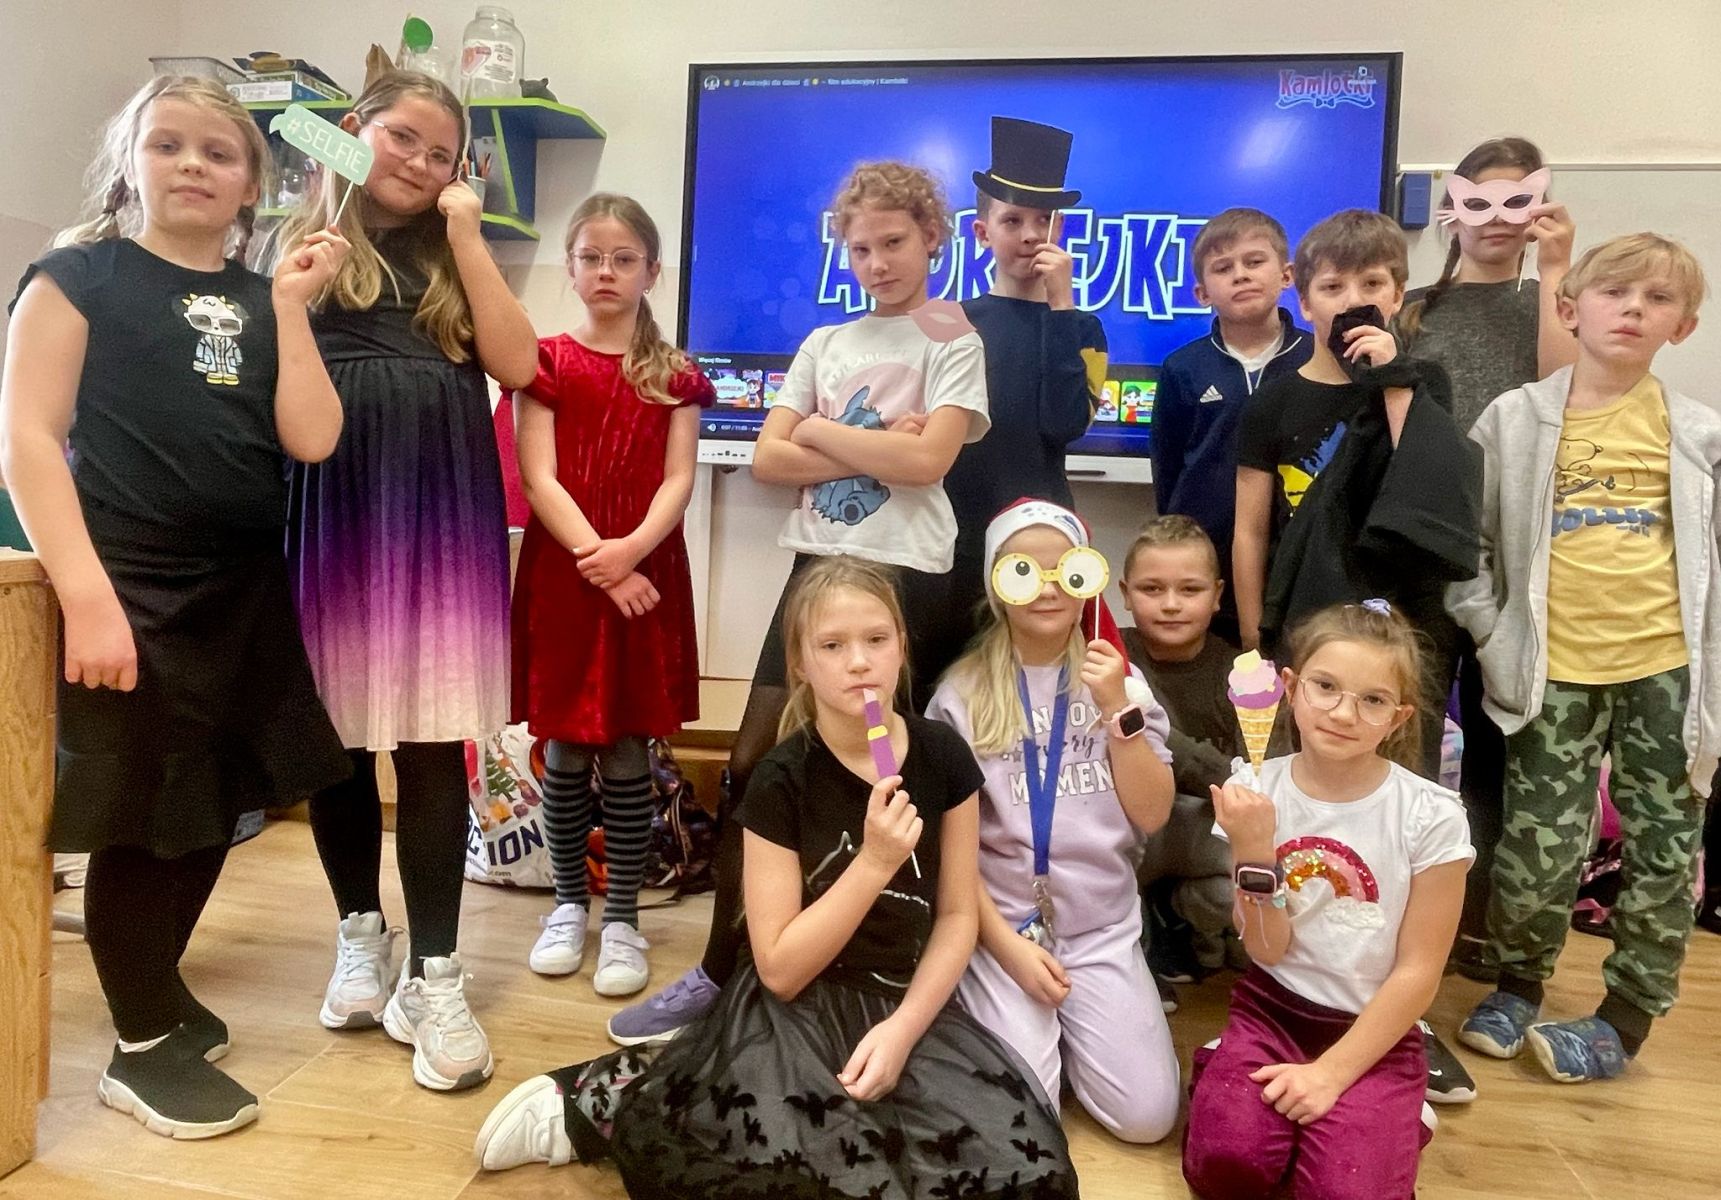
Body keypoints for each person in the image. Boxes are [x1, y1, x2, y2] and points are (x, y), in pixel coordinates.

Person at [472, 557, 1077, 1199]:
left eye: (876, 639)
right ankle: (603, 1095)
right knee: (802, 1178)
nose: (859, 662)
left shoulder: (944, 756)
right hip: (801, 1007)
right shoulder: (780, 780)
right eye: (832, 646)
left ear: (902, 645)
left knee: (1029, 1180)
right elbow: (782, 969)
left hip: (908, 1001)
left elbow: (956, 915)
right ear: (800, 664)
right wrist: (873, 863)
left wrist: (902, 1032)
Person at [0, 75, 351, 1136]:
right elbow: (28, 441)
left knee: (216, 804)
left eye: (218, 151)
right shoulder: (77, 279)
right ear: (130, 164)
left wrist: (288, 307)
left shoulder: (259, 296)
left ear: (251, 185)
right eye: (167, 145)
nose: (192, 164)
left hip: (243, 593)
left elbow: (313, 437)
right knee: (146, 817)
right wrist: (89, 600)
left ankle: (156, 988)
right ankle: (142, 1041)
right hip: (132, 594)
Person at [605, 160, 989, 1046]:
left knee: (890, 772)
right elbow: (769, 461)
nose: (877, 262)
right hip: (818, 564)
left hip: (908, 575)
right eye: (860, 248)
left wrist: (816, 429)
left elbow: (929, 461)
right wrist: (854, 438)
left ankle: (886, 973)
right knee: (751, 763)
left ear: (932, 239)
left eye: (894, 242)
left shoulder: (952, 339)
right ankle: (721, 968)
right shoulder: (826, 342)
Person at [275, 70, 538, 1092]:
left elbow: (517, 366)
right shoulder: (299, 245)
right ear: (353, 132)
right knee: (338, 740)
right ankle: (359, 932)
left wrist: (468, 233)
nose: (420, 165)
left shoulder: (453, 253)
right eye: (401, 139)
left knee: (432, 742)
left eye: (442, 154)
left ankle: (434, 972)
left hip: (439, 511)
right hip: (332, 507)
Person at [1449, 234, 1716, 1083]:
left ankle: (1623, 1020)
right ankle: (1516, 985)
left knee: (1664, 849)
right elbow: (1468, 545)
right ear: (1569, 309)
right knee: (1537, 847)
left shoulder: (1698, 435)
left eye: (1657, 299)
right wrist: (1489, 632)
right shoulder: (1513, 419)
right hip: (1550, 672)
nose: (1632, 309)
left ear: (1682, 326)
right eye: (1614, 293)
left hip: (1664, 672)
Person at [1182, 602, 1472, 1200]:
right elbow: (1267, 949)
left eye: (1372, 700)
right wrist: (1255, 849)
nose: (1343, 713)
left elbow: (1419, 971)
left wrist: (1331, 1075)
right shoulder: (1253, 790)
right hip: (1272, 1009)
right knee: (1225, 1169)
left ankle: (1401, 1113)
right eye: (1326, 687)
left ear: (1398, 718)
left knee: (1346, 1192)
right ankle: (1231, 1060)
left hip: (1376, 1029)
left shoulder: (1431, 815)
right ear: (1290, 689)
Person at [508, 194, 714, 996]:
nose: (606, 271)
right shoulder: (545, 362)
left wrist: (631, 554)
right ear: (569, 267)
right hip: (567, 576)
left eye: (623, 259)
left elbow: (678, 480)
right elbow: (538, 477)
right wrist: (601, 561)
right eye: (591, 257)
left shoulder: (675, 375)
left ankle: (622, 917)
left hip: (647, 576)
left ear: (650, 272)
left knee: (629, 749)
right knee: (564, 749)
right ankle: (568, 905)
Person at [927, 499, 1180, 1143]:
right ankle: (1028, 1035)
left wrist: (1117, 710)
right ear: (996, 585)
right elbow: (950, 855)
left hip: (1099, 929)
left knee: (1148, 1119)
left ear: (1087, 577)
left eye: (1064, 570)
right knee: (1025, 1118)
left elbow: (1153, 812)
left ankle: (1075, 1032)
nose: (1046, 587)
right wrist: (1004, 947)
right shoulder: (960, 695)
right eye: (1023, 571)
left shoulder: (1123, 683)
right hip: (1003, 929)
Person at [1395, 136, 1579, 979]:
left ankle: (1483, 925)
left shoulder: (1552, 301)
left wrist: (1557, 270)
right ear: (1451, 209)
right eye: (1479, 201)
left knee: (1502, 737)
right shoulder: (1414, 310)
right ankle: (1403, 912)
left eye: (1518, 201)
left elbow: (1561, 393)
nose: (1497, 220)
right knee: (1410, 729)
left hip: (1517, 551)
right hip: (1426, 546)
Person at [946, 116, 1106, 623]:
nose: (1031, 235)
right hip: (955, 528)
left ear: (1060, 230)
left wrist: (1062, 308)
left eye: (1044, 221)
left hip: (1041, 534)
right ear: (982, 232)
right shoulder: (949, 322)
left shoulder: (1083, 328)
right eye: (1013, 221)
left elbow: (1064, 424)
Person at [1149, 208, 1312, 643]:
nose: (1240, 275)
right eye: (1223, 268)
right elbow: (1167, 469)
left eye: (1254, 261)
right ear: (1202, 292)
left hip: (1297, 557)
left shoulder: (1317, 360)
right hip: (1208, 563)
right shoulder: (1183, 367)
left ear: (1287, 275)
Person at [1118, 516, 1251, 992]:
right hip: (1124, 829)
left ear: (1217, 595)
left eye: (1190, 590)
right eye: (1152, 589)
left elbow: (1251, 782)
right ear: (1125, 593)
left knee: (1256, 868)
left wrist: (1153, 733)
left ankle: (1181, 913)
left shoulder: (1243, 672)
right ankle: (1134, 952)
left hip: (1205, 829)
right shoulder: (1105, 658)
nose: (1171, 604)